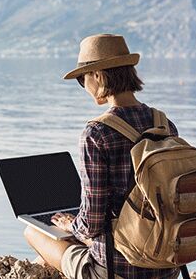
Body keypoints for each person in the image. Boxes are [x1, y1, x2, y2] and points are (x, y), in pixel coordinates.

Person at [23, 34, 181, 279]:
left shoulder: (97, 133)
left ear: (98, 75)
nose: (84, 87)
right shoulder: (164, 124)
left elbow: (92, 223)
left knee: (34, 234)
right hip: (166, 266)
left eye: (82, 79)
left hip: (114, 270)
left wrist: (70, 224)